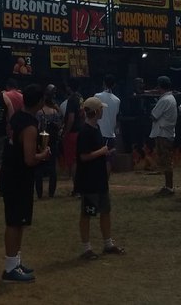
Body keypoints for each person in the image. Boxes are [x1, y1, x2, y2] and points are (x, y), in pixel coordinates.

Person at [0, 84, 52, 283]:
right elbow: (29, 159)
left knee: (18, 222)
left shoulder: (16, 118)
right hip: (19, 178)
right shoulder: (29, 125)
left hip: (12, 174)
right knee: (14, 222)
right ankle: (10, 268)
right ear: (39, 102)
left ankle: (15, 263)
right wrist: (44, 154)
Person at [74, 96, 124, 260]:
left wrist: (106, 153)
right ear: (95, 112)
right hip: (89, 179)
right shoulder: (85, 131)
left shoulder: (96, 128)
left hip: (99, 176)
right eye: (101, 109)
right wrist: (102, 152)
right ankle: (86, 247)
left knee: (105, 210)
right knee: (87, 213)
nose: (103, 111)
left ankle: (108, 243)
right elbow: (83, 156)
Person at [149, 76, 178, 196]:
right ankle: (168, 186)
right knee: (166, 161)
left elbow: (153, 115)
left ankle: (169, 187)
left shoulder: (165, 100)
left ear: (160, 86)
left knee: (166, 161)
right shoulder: (170, 98)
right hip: (167, 132)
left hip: (163, 133)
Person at [33, 87, 62, 200]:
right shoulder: (55, 111)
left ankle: (39, 193)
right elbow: (59, 125)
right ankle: (51, 193)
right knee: (52, 168)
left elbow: (37, 127)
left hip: (41, 141)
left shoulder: (39, 112)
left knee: (39, 168)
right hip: (53, 141)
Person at [94, 75, 121, 173]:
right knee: (108, 160)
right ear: (114, 85)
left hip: (99, 132)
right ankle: (105, 182)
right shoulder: (117, 100)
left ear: (103, 83)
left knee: (97, 158)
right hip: (110, 133)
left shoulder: (97, 96)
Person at [61, 79, 83, 191]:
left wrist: (66, 133)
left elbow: (70, 119)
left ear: (69, 87)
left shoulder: (71, 100)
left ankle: (77, 188)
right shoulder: (81, 98)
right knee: (80, 160)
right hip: (81, 131)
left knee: (74, 161)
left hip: (73, 132)